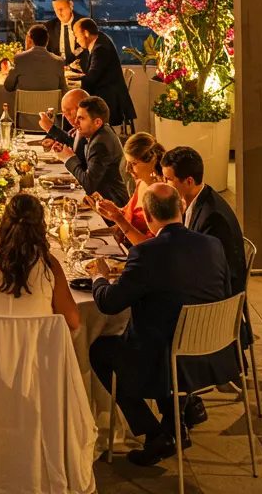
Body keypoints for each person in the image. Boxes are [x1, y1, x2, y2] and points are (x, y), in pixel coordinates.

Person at [90, 183, 237, 467]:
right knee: (165, 324)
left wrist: (99, 278)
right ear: (181, 208)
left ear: (147, 216)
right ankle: (176, 418)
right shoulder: (213, 245)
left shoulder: (147, 254)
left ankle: (154, 432)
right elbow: (224, 293)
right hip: (214, 353)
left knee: (100, 350)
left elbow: (109, 304)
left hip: (166, 360)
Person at [0, 193, 80, 329]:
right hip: (36, 343)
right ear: (41, 225)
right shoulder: (49, 264)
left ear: (4, 222)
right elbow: (72, 322)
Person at [162, 145, 246, 295]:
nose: (164, 184)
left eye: (168, 179)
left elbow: (208, 270)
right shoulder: (195, 199)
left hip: (218, 297)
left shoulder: (213, 217)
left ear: (189, 181)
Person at [51, 96, 128, 206]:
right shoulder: (100, 133)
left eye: (81, 118)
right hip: (102, 199)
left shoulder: (100, 143)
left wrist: (68, 158)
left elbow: (88, 185)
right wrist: (66, 152)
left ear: (97, 122)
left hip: (112, 204)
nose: (76, 122)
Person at [66, 18, 136, 128]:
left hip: (108, 101)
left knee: (73, 105)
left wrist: (72, 80)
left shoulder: (100, 49)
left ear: (86, 33)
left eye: (77, 36)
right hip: (108, 94)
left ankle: (75, 135)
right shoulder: (101, 39)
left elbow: (91, 78)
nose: (76, 40)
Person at [96, 132, 164, 245]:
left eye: (133, 164)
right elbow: (129, 215)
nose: (128, 169)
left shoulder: (162, 194)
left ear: (153, 159)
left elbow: (155, 245)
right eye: (127, 163)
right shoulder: (140, 182)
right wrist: (109, 211)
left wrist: (118, 218)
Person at [4, 24, 66, 123]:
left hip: (25, 120)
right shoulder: (58, 61)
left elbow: (8, 86)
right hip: (51, 122)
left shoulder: (20, 58)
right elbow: (64, 89)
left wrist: (11, 71)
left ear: (29, 40)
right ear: (47, 41)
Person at [38, 87, 90, 166]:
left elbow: (80, 158)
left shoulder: (90, 130)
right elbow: (74, 145)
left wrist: (51, 129)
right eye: (64, 112)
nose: (66, 116)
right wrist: (51, 137)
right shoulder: (78, 129)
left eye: (68, 112)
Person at [47, 0, 81, 65]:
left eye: (61, 9)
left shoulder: (82, 23)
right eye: (56, 10)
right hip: (55, 67)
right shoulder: (50, 26)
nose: (59, 13)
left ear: (71, 5)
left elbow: (84, 48)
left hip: (78, 66)